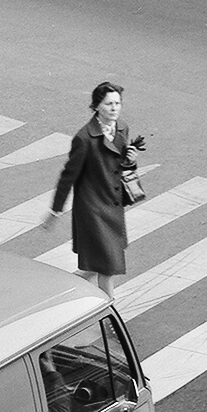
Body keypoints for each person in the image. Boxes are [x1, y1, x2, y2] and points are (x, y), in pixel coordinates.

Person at [44, 81, 143, 296]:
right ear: (97, 106)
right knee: (107, 267)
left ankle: (63, 289)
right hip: (93, 209)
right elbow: (68, 176)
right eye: (109, 104)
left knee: (97, 264)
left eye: (117, 103)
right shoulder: (84, 138)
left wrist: (131, 161)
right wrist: (55, 210)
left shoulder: (122, 128)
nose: (114, 108)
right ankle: (109, 310)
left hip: (113, 205)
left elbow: (119, 166)